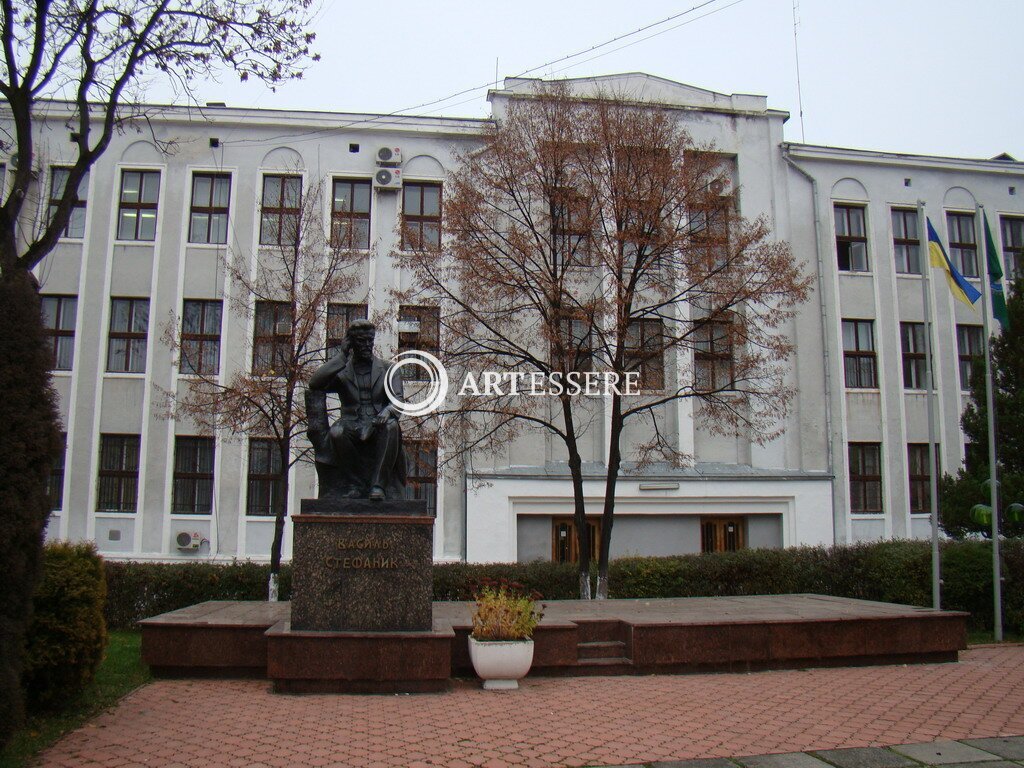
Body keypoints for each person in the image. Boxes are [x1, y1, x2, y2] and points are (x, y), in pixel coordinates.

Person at [306, 320, 407, 500]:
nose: (367, 345)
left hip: (378, 422)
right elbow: (314, 383)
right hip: (351, 421)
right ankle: (355, 485)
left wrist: (388, 411)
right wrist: (342, 355)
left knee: (391, 427)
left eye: (370, 341)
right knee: (337, 433)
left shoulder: (388, 368)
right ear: (351, 343)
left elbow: (398, 400)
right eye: (361, 341)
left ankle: (378, 486)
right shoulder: (341, 371)